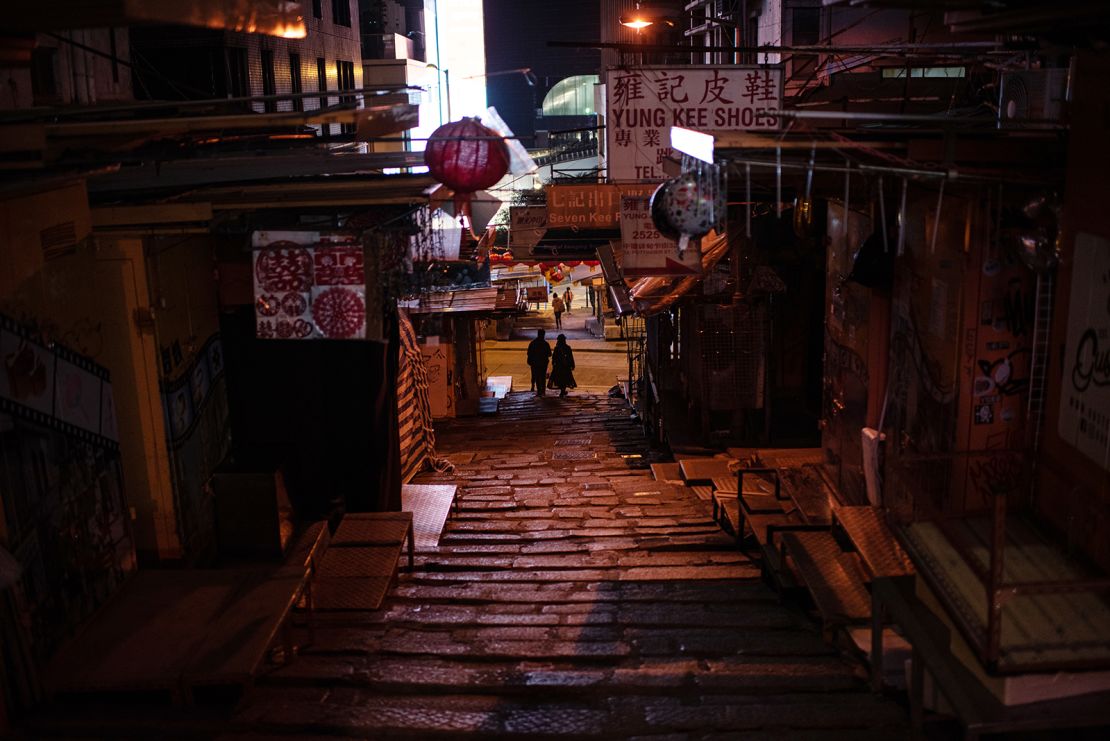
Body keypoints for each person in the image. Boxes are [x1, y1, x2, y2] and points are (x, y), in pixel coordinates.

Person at [526, 328, 552, 397]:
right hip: (543, 363)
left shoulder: (533, 343)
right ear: (543, 335)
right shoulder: (545, 344)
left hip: (535, 363)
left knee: (537, 376)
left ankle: (539, 391)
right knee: (543, 377)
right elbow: (549, 354)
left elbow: (529, 353)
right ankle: (543, 391)